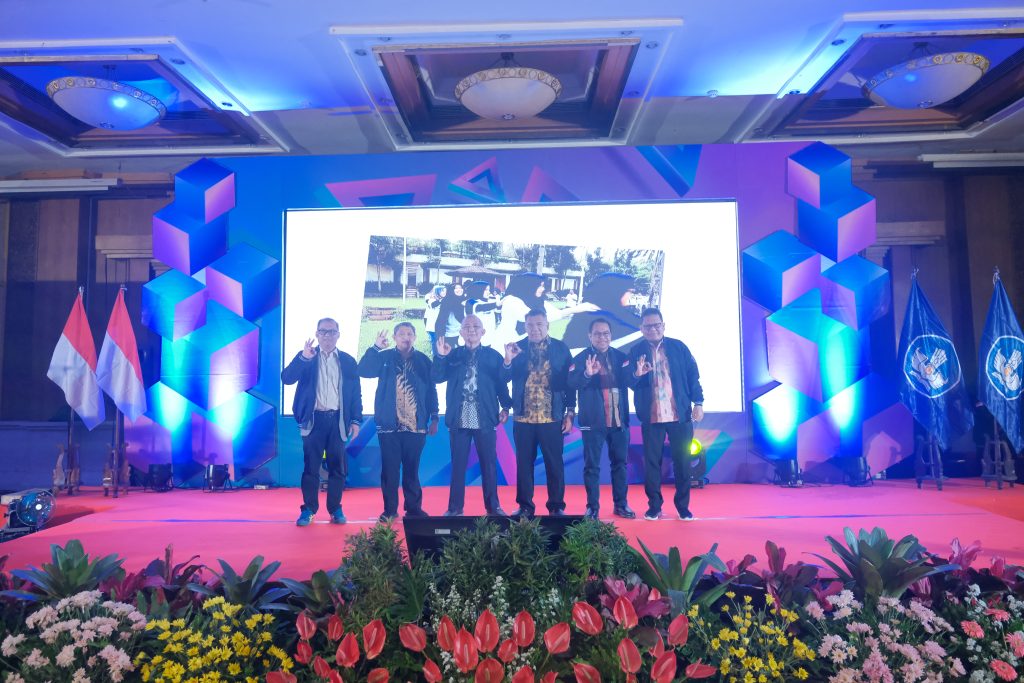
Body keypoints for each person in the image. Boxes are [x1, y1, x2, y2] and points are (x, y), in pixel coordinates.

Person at [281, 317, 363, 526]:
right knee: (311, 468)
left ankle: (335, 508)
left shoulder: (347, 361)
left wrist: (355, 420)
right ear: (317, 334)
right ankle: (308, 509)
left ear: (338, 335)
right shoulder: (307, 357)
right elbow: (287, 378)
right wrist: (303, 358)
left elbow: (355, 393)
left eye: (332, 331)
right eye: (323, 331)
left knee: (338, 468)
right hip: (314, 421)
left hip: (338, 420)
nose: (327, 335)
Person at [628, 308, 704, 521]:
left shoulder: (679, 347)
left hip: (679, 415)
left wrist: (698, 403)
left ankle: (683, 507)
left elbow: (693, 377)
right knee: (652, 464)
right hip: (652, 416)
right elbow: (628, 381)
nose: (652, 329)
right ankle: (654, 506)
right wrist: (637, 374)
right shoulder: (635, 351)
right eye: (648, 326)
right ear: (641, 328)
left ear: (663, 326)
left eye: (656, 325)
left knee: (682, 462)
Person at [432, 314, 512, 516]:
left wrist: (506, 406)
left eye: (476, 326)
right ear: (460, 332)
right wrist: (441, 357)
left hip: (485, 416)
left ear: (483, 332)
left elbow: (501, 383)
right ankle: (455, 508)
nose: (471, 330)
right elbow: (437, 377)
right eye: (467, 326)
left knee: (489, 465)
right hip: (458, 418)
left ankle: (493, 507)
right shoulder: (453, 354)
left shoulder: (493, 356)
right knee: (458, 466)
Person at [358, 322, 438, 521]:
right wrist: (375, 347)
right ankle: (390, 511)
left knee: (412, 471)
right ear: (394, 338)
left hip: (416, 427)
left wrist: (434, 416)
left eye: (409, 333)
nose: (406, 337)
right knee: (390, 472)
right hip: (389, 427)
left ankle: (414, 509)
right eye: (401, 334)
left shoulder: (423, 361)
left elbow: (431, 391)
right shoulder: (384, 357)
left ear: (415, 337)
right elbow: (364, 370)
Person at [502, 308, 575, 517]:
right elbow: (503, 379)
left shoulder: (561, 348)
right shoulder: (516, 348)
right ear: (525, 326)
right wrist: (508, 361)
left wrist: (570, 412)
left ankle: (556, 506)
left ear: (547, 325)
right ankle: (525, 506)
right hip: (523, 417)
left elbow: (570, 384)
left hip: (552, 416)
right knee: (524, 465)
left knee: (555, 464)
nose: (535, 329)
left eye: (539, 324)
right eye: (530, 325)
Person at [568, 317, 636, 520]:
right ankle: (592, 507)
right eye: (597, 334)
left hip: (618, 420)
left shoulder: (621, 357)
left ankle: (621, 505)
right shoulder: (580, 358)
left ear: (611, 335)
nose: (602, 337)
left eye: (605, 333)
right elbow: (571, 384)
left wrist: (637, 375)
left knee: (620, 464)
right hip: (593, 422)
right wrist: (587, 374)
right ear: (590, 336)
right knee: (592, 467)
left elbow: (630, 382)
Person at [562, 272, 643, 352]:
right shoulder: (593, 316)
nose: (631, 295)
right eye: (630, 291)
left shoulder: (616, 312)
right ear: (617, 292)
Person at [463, 280, 499, 345]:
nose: (489, 292)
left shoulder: (489, 301)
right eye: (486, 290)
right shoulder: (470, 302)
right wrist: (497, 304)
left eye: (489, 290)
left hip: (488, 339)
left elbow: (498, 309)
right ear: (479, 290)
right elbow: (481, 307)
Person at [434, 282, 466, 350]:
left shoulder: (465, 300)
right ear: (451, 290)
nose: (459, 290)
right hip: (449, 333)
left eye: (460, 288)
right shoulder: (447, 301)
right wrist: (440, 334)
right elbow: (441, 319)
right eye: (456, 288)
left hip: (462, 333)